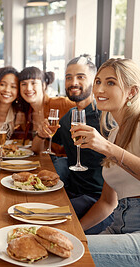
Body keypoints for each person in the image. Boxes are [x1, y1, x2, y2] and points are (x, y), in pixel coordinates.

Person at [32, 55, 113, 234]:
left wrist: (76, 229)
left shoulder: (106, 119)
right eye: (68, 77)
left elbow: (111, 200)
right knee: (26, 208)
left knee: (39, 223)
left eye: (80, 77)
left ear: (94, 80)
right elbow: (36, 149)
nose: (73, 82)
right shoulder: (69, 117)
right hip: (69, 191)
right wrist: (41, 133)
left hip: (96, 201)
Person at [72, 58, 140, 266]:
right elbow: (107, 203)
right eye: (98, 81)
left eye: (110, 82)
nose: (99, 89)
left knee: (69, 257)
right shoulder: (113, 134)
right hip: (119, 225)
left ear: (132, 92)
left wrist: (106, 147)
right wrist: (75, 232)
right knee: (63, 245)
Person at [16, 66, 75, 143]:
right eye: (24, 84)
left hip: (64, 155)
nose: (28, 88)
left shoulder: (59, 103)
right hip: (43, 155)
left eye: (33, 83)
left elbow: (84, 107)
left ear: (43, 85)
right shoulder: (28, 111)